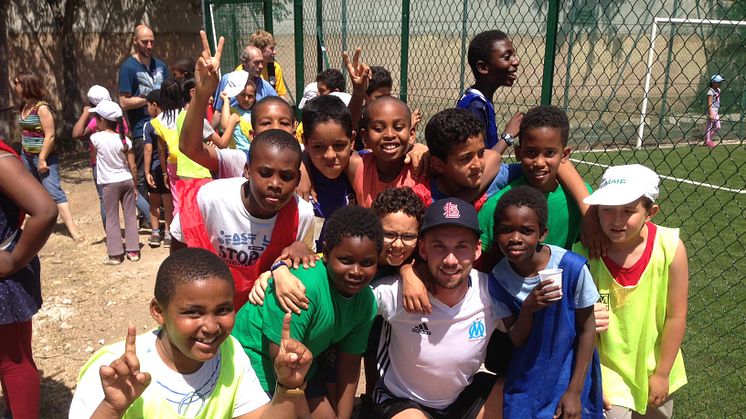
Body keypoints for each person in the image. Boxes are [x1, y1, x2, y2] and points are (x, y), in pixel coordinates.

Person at [68, 248, 313, 419]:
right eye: (194, 312)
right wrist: (112, 409)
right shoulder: (114, 370)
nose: (211, 326)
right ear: (158, 312)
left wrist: (288, 386)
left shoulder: (231, 353)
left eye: (223, 310)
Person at [234, 206, 381, 419]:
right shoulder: (303, 288)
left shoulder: (366, 303)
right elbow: (285, 365)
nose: (356, 271)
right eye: (346, 260)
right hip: (258, 359)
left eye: (367, 263)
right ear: (326, 254)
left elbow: (349, 365)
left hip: (303, 366)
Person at [573, 164, 688, 419]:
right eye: (608, 211)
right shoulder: (582, 256)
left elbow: (676, 316)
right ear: (596, 211)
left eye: (628, 211)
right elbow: (573, 320)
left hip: (655, 364)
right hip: (606, 370)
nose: (616, 220)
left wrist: (662, 373)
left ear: (650, 212)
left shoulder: (670, 247)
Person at [370, 198, 503, 418]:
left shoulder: (491, 292)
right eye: (439, 246)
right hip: (404, 400)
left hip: (460, 398)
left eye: (461, 246)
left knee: (512, 391)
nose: (451, 260)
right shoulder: (397, 292)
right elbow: (346, 301)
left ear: (477, 249)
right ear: (422, 249)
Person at [488, 186, 603, 418]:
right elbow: (516, 339)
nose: (515, 239)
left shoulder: (571, 268)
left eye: (526, 230)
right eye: (506, 230)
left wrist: (574, 391)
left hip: (569, 374)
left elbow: (587, 328)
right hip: (527, 378)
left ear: (542, 233)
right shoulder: (498, 278)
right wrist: (528, 309)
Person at [169, 129, 316, 309]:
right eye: (265, 173)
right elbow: (178, 251)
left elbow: (305, 269)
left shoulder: (302, 214)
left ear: (298, 179)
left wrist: (300, 248)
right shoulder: (209, 199)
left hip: (260, 314)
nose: (275, 184)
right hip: (210, 307)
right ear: (247, 170)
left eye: (286, 177)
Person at [478, 105, 594, 267]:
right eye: (531, 153)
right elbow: (481, 265)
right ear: (518, 153)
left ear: (565, 154)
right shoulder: (496, 206)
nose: (539, 162)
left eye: (549, 153)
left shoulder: (586, 202)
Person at [0, 138, 57, 419]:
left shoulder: (1, 160)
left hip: (3, 280)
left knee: (13, 360)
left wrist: (13, 259)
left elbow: (45, 211)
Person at [14, 71, 81, 240]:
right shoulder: (23, 106)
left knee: (54, 191)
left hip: (43, 157)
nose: (15, 87)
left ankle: (73, 231)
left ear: (27, 85)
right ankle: (38, 226)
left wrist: (42, 158)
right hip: (27, 156)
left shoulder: (42, 108)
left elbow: (50, 135)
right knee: (31, 192)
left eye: (17, 83)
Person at [416, 107, 522, 210]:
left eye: (481, 153)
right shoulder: (421, 197)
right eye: (466, 158)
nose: (477, 165)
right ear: (439, 165)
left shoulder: (494, 178)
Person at [118, 24, 169, 222]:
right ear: (135, 41)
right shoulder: (128, 67)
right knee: (142, 173)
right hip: (142, 129)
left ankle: (165, 211)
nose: (149, 45)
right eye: (144, 42)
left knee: (163, 169)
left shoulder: (161, 66)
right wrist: (149, 99)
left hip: (165, 127)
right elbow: (124, 101)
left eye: (151, 41)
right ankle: (149, 214)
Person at [181, 95, 296, 179]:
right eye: (266, 123)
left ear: (294, 131)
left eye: (284, 123)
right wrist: (201, 92)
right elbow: (190, 148)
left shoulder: (303, 161)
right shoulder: (239, 161)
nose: (275, 128)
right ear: (252, 135)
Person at [298, 95, 357, 251]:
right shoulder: (292, 177)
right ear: (305, 142)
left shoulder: (363, 168)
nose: (330, 155)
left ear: (352, 140)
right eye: (318, 147)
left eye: (339, 145)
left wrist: (417, 149)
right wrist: (302, 164)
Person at [72, 85, 131, 233]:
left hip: (101, 166)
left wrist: (85, 114)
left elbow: (77, 133)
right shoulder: (117, 117)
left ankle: (111, 233)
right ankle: (150, 223)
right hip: (122, 166)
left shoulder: (98, 121)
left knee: (104, 201)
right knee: (130, 196)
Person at [348, 96, 426, 207]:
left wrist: (422, 149)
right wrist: (358, 92)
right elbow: (335, 138)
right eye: (379, 129)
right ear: (365, 137)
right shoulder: (357, 166)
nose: (389, 135)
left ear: (412, 134)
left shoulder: (421, 168)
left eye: (398, 127)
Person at [88, 100, 140, 264]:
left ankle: (116, 254)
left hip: (109, 184)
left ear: (102, 120)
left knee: (112, 218)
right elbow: (132, 166)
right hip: (126, 180)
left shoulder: (95, 138)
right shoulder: (125, 141)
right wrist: (135, 185)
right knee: (131, 216)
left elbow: (95, 157)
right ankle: (133, 251)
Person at [456, 30, 523, 152]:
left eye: (514, 55)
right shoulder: (475, 106)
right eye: (507, 57)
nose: (516, 61)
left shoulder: (480, 99)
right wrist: (508, 135)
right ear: (483, 67)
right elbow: (480, 161)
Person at [142, 89, 173, 248]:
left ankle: (155, 233)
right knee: (168, 203)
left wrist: (146, 171)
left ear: (155, 105)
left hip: (154, 169)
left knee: (154, 202)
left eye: (148, 106)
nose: (147, 110)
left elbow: (148, 149)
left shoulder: (150, 124)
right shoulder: (171, 121)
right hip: (168, 168)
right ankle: (168, 233)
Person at [213, 45, 277, 117]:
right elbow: (218, 112)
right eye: (256, 62)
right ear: (244, 62)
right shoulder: (228, 80)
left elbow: (278, 108)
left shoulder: (265, 88)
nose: (261, 66)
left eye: (262, 62)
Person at [248, 30, 293, 104]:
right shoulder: (242, 70)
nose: (275, 52)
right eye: (271, 48)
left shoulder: (275, 68)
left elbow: (280, 95)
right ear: (260, 49)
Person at [220, 74, 257, 153]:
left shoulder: (258, 112)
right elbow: (225, 126)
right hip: (237, 154)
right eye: (242, 95)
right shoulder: (231, 111)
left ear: (255, 97)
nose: (246, 99)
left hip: (254, 153)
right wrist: (226, 100)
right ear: (236, 95)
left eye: (250, 96)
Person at [704, 74, 725, 148]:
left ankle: (706, 139)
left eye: (720, 82)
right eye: (718, 82)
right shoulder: (710, 92)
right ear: (713, 82)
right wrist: (710, 114)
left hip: (716, 110)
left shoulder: (718, 90)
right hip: (711, 110)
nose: (720, 84)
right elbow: (709, 103)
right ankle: (708, 141)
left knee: (718, 126)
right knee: (709, 126)